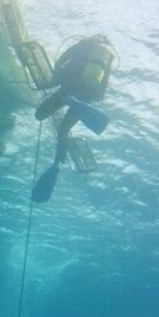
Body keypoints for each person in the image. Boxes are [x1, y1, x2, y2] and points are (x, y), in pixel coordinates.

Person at [31, 36, 116, 203]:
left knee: (39, 114)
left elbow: (60, 62)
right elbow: (101, 92)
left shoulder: (83, 45)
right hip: (86, 98)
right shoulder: (106, 57)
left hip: (69, 88)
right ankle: (57, 164)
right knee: (63, 131)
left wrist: (57, 79)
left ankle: (69, 100)